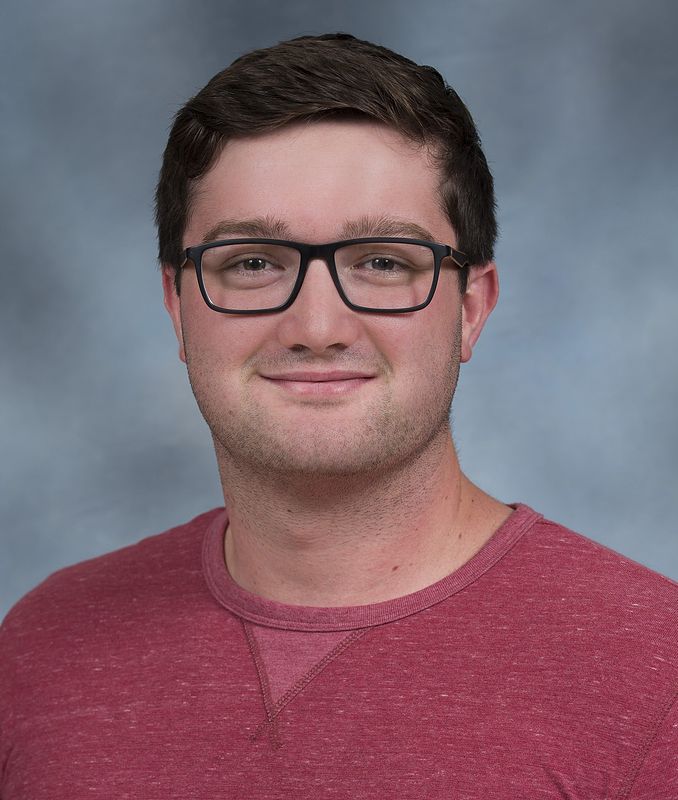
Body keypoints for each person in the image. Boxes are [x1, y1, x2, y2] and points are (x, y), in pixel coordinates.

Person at [0, 32, 676, 799]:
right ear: (177, 307)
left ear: (470, 309)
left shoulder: (655, 673)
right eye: (253, 263)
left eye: (383, 262)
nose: (317, 327)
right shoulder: (41, 651)